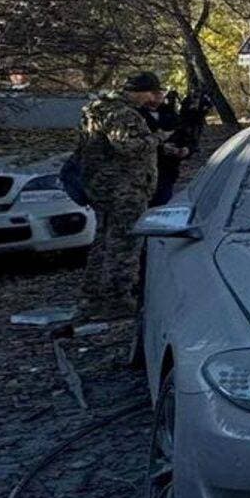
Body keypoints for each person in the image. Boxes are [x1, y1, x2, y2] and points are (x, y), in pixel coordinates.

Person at [75, 71, 163, 315]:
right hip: (124, 187)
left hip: (99, 184)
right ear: (139, 91)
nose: (151, 99)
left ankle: (92, 295)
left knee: (103, 239)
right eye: (150, 93)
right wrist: (154, 139)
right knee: (125, 242)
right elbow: (126, 145)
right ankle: (117, 298)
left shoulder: (95, 108)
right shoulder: (123, 114)